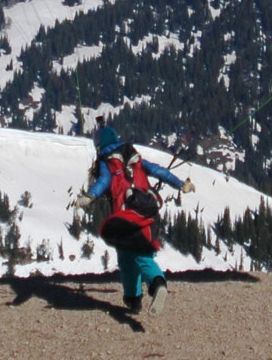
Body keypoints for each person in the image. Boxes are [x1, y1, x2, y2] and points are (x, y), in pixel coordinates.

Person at [74, 123, 194, 315]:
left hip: (125, 214)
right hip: (149, 210)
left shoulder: (107, 162)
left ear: (99, 146)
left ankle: (147, 290)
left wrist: (89, 197)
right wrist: (181, 185)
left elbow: (104, 181)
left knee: (128, 257)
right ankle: (142, 293)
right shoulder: (135, 158)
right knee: (142, 252)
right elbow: (159, 171)